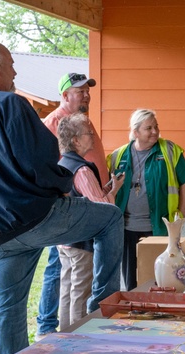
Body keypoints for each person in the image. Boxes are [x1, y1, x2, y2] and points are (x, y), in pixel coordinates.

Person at [0, 42, 124, 354]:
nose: (16, 72)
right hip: (34, 216)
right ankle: (102, 308)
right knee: (110, 217)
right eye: (12, 64)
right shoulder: (11, 104)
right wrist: (64, 186)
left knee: (9, 309)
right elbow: (40, 159)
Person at [36, 72, 110, 336]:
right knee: (64, 274)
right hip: (72, 216)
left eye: (88, 91)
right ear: (65, 95)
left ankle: (63, 332)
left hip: (88, 206)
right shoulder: (53, 123)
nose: (87, 95)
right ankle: (48, 327)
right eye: (80, 91)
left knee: (68, 277)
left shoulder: (82, 121)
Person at [108, 109, 185, 290]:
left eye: (156, 126)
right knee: (131, 279)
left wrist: (182, 213)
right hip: (126, 228)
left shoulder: (170, 150)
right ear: (136, 131)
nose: (155, 131)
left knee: (160, 279)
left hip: (159, 227)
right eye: (149, 128)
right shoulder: (118, 155)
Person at [55, 113, 125, 329]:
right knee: (80, 291)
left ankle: (64, 333)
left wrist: (108, 189)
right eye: (88, 133)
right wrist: (114, 193)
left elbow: (86, 196)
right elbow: (101, 209)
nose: (93, 136)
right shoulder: (83, 169)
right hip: (82, 241)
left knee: (66, 288)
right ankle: (77, 335)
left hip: (63, 239)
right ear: (76, 140)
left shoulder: (63, 163)